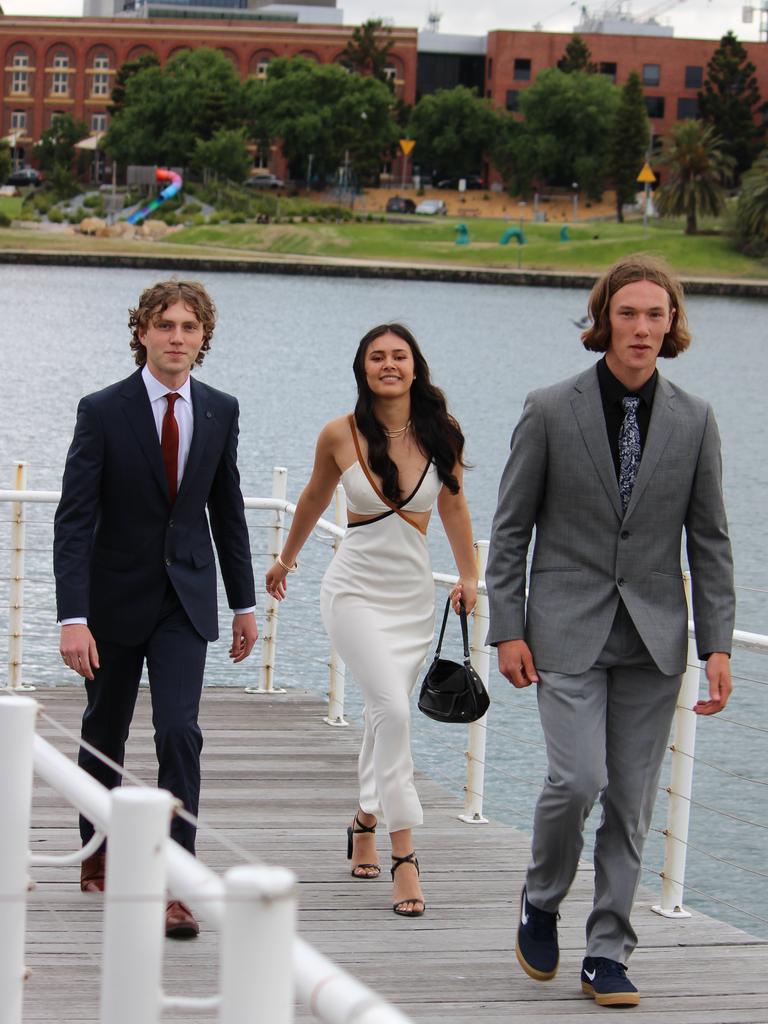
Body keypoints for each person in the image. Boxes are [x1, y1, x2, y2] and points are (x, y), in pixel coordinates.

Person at [486, 254, 735, 1006]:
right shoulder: (549, 408)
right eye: (628, 313)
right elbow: (509, 531)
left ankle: (606, 951)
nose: (642, 327)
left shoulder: (695, 419)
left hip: (655, 636)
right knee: (578, 779)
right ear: (603, 322)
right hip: (562, 629)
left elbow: (711, 539)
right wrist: (507, 628)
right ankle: (541, 894)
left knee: (631, 801)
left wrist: (716, 644)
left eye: (656, 314)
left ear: (672, 325)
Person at [54, 280, 258, 938]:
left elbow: (227, 510)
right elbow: (74, 520)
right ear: (141, 331)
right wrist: (72, 616)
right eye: (164, 325)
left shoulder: (221, 409)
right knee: (104, 730)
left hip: (185, 601)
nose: (176, 337)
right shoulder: (103, 410)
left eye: (189, 327)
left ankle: (179, 880)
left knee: (179, 732)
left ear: (203, 338)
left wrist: (244, 602)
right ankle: (98, 851)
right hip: (112, 602)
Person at [265, 323, 476, 917]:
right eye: (377, 357)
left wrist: (467, 576)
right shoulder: (340, 433)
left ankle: (363, 818)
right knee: (391, 709)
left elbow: (457, 507)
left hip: (412, 600)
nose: (389, 365)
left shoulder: (442, 434)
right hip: (352, 591)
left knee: (385, 717)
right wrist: (285, 559)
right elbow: (311, 498)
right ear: (363, 368)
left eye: (399, 356)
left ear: (416, 366)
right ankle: (404, 856)